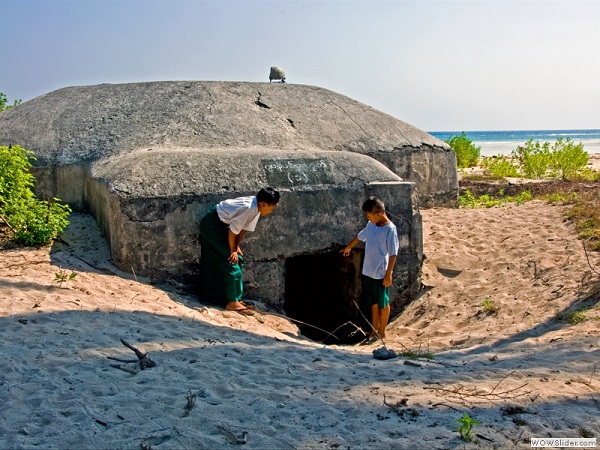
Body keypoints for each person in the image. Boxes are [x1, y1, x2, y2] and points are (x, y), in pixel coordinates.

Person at [199, 187, 280, 315]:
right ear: (264, 204)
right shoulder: (248, 208)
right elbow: (233, 230)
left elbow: (242, 230)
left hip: (223, 228)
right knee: (231, 262)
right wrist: (232, 250)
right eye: (271, 208)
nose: (271, 211)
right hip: (213, 226)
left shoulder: (256, 209)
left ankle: (235, 298)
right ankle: (231, 302)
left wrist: (236, 247)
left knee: (238, 260)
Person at [342, 196, 399, 344]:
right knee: (373, 304)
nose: (368, 218)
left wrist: (389, 274)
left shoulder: (390, 230)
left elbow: (393, 253)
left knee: (383, 304)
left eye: (369, 215)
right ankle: (373, 331)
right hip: (368, 271)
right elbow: (360, 237)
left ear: (378, 214)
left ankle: (382, 332)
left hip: (381, 273)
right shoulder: (371, 225)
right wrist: (349, 247)